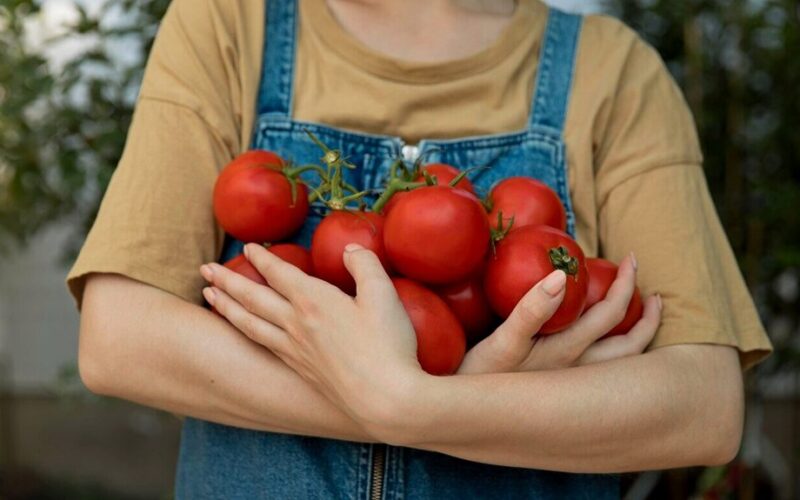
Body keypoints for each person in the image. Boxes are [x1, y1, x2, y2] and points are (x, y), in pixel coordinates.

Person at [67, 0, 773, 498]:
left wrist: (415, 405)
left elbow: (702, 408)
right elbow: (120, 337)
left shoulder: (614, 72)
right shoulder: (229, 24)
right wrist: (419, 395)